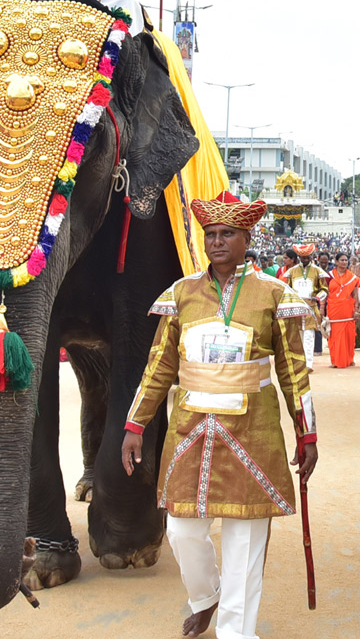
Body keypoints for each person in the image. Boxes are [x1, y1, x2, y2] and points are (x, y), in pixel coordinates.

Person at [120, 191, 317, 639]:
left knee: (245, 543)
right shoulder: (181, 294)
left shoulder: (275, 294)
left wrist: (308, 435)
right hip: (191, 430)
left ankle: (236, 632)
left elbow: (294, 373)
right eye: (211, 234)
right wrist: (135, 424)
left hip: (254, 432)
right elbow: (159, 366)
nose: (217, 242)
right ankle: (205, 597)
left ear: (247, 238)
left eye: (228, 233)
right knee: (182, 531)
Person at [283, 244, 328, 372]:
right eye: (302, 258)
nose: (305, 260)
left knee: (309, 336)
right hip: (296, 307)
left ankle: (308, 364)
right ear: (299, 257)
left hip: (310, 308)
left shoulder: (317, 271)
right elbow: (287, 288)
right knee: (296, 336)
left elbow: (324, 289)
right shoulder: (292, 272)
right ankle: (298, 364)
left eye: (307, 257)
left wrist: (317, 298)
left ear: (312, 257)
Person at [325, 252, 360, 368]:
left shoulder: (352, 277)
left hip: (347, 309)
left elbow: (355, 294)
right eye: (342, 260)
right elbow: (325, 293)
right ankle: (335, 360)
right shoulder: (329, 276)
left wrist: (356, 309)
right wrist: (321, 308)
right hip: (333, 309)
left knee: (348, 335)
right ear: (336, 261)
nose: (344, 262)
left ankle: (349, 359)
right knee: (334, 335)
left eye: (346, 260)